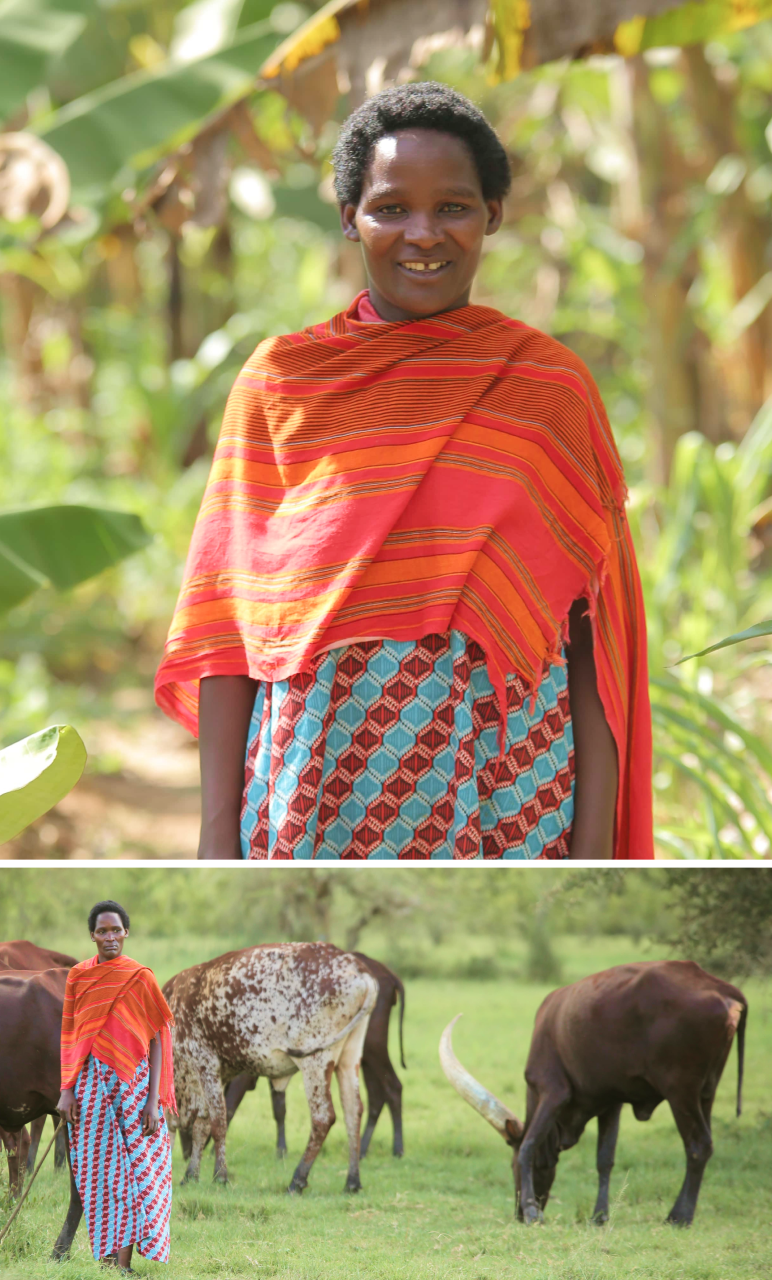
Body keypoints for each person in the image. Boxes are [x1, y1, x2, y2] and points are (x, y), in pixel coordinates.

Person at [154, 82, 652, 862]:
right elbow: (230, 626)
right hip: (317, 775)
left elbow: (594, 644)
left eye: (452, 206)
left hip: (511, 787)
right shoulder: (282, 384)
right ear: (349, 216)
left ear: (492, 214)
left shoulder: (548, 390)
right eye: (391, 208)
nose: (423, 233)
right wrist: (219, 834)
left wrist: (596, 846)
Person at [57, 900, 175, 1272]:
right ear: (92, 935)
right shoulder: (78, 975)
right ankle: (109, 1261)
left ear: (127, 932)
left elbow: (156, 1037)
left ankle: (122, 1265)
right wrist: (66, 1089)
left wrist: (154, 1101)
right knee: (97, 1172)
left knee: (138, 1171)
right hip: (91, 1085)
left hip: (135, 1086)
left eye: (116, 930)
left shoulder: (140, 977)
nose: (110, 937)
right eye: (102, 931)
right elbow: (71, 1034)